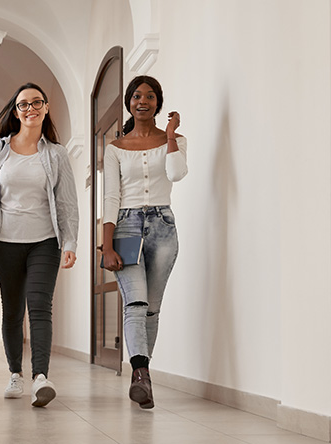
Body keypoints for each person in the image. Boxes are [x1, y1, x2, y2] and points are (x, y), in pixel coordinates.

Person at [0, 83, 79, 407]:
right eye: (23, 104)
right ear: (15, 111)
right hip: (5, 241)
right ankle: (15, 374)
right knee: (12, 310)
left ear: (46, 108)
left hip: (45, 241)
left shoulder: (56, 154)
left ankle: (41, 378)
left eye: (37, 103)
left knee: (40, 306)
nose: (30, 108)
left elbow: (67, 202)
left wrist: (70, 240)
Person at [101, 75, 188, 409]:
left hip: (164, 226)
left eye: (150, 96)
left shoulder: (176, 140)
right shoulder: (115, 148)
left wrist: (169, 137)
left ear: (158, 102)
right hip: (126, 226)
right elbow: (110, 197)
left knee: (151, 308)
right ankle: (141, 375)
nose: (143, 101)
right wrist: (107, 246)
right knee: (135, 304)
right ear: (129, 101)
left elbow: (177, 174)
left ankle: (143, 374)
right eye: (137, 96)